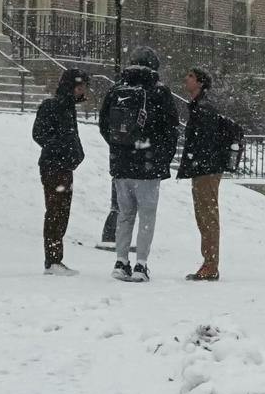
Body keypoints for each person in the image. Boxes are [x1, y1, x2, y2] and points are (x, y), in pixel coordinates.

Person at [96, 48, 179, 283]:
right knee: (147, 216)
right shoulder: (159, 92)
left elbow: (105, 126)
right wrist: (160, 157)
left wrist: (120, 148)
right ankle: (141, 265)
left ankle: (121, 262)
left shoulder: (116, 90)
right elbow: (171, 129)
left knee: (125, 215)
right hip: (148, 166)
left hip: (121, 166)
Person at [177, 65, 242, 281]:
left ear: (200, 83)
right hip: (203, 168)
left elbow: (207, 141)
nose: (186, 79)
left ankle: (211, 264)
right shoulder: (199, 106)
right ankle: (209, 262)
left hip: (207, 170)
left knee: (207, 216)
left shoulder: (204, 109)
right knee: (204, 216)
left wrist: (202, 162)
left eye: (191, 76)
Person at [31, 68, 88, 274]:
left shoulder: (67, 107)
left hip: (63, 165)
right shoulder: (54, 106)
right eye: (80, 86)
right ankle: (53, 260)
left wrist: (75, 154)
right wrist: (62, 149)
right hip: (54, 166)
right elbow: (39, 134)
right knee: (56, 211)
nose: (83, 90)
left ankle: (55, 259)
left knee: (61, 212)